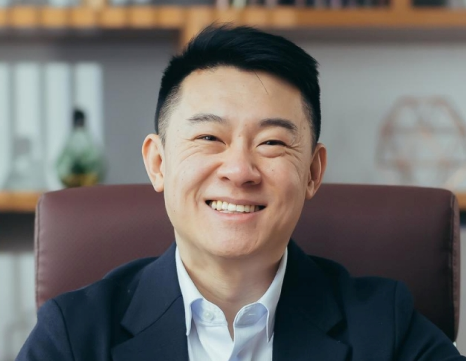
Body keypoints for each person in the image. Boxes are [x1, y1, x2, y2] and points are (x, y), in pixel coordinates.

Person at [17, 24, 465, 361]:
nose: (239, 170)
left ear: (312, 172)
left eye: (271, 143)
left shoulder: (384, 328)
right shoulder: (74, 336)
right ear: (158, 163)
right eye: (209, 137)